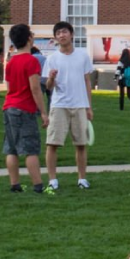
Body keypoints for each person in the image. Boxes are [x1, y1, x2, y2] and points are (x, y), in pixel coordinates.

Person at [43, 21, 94, 191]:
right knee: (52, 143)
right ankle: (52, 180)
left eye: (64, 32)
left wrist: (89, 107)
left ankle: (82, 178)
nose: (61, 35)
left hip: (79, 105)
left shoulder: (83, 56)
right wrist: (51, 77)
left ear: (71, 34)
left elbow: (87, 81)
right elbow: (48, 87)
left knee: (81, 144)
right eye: (58, 33)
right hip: (59, 105)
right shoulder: (52, 59)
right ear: (55, 38)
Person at [1, 23, 50, 193]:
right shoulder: (31, 61)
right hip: (24, 109)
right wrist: (43, 112)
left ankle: (15, 184)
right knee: (31, 149)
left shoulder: (11, 62)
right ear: (29, 39)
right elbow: (35, 89)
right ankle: (38, 186)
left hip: (9, 106)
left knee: (11, 148)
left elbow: (9, 87)